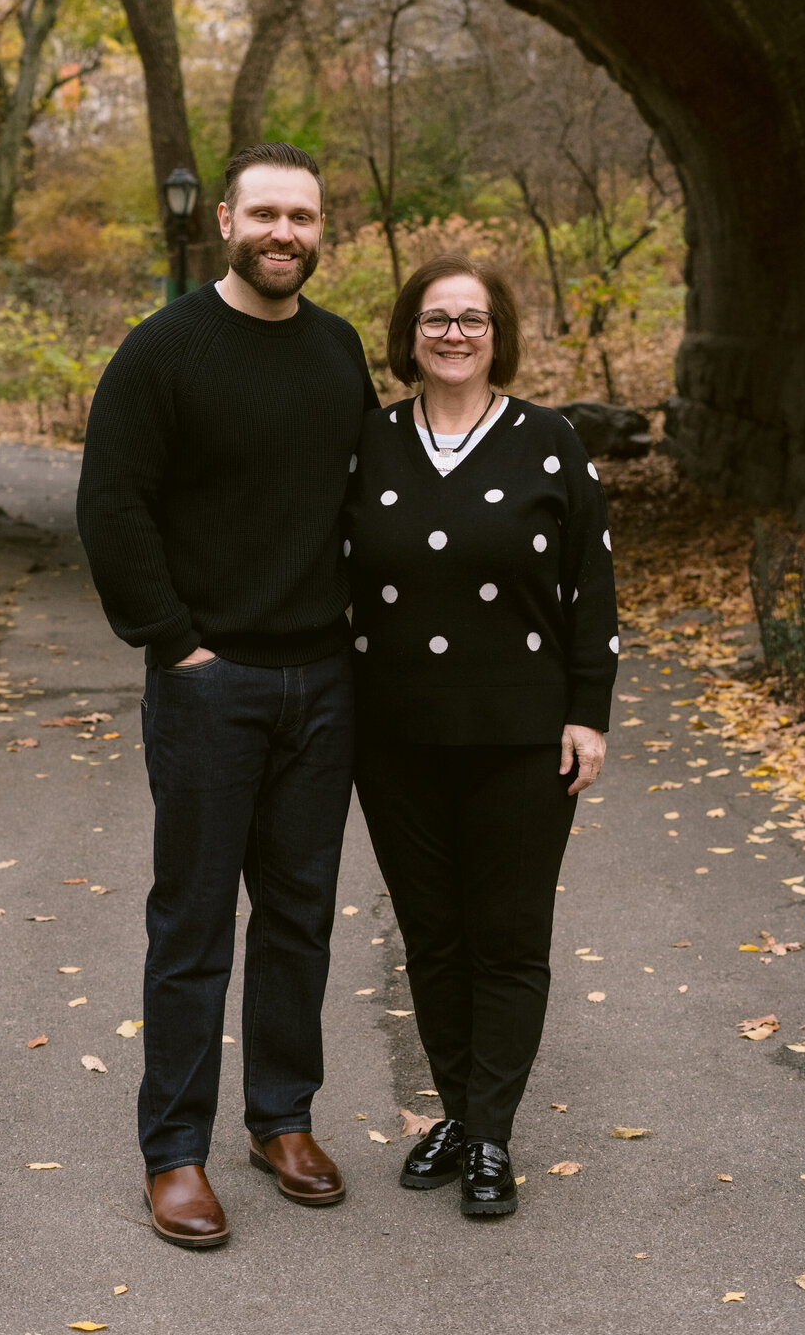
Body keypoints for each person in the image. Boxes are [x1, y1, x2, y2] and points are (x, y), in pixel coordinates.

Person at [77, 142, 378, 1249]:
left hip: (323, 680)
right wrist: (176, 645)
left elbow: (363, 502)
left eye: (303, 216)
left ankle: (282, 1120)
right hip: (211, 686)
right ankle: (175, 1152)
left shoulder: (339, 351)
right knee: (195, 922)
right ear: (227, 224)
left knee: (300, 915)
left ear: (319, 230)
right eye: (266, 214)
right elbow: (113, 504)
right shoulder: (163, 353)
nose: (284, 233)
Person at [346, 255, 617, 1219]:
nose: (453, 333)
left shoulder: (550, 444)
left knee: (506, 936)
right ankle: (458, 1111)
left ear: (498, 332)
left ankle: (492, 1133)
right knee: (434, 938)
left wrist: (589, 711)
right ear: (407, 334)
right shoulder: (367, 443)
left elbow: (594, 591)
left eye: (471, 318)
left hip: (522, 739)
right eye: (434, 318)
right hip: (395, 738)